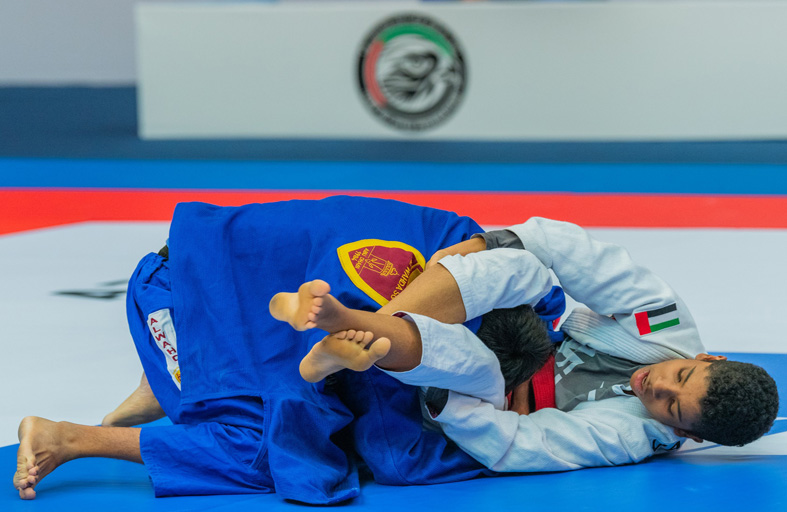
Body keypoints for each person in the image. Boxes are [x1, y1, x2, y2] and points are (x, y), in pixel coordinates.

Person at [12, 196, 563, 503]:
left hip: (211, 282)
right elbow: (395, 457)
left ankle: (171, 388)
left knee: (324, 398)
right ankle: (71, 438)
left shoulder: (466, 243)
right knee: (267, 452)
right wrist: (494, 446)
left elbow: (543, 289)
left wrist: (520, 368)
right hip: (178, 300)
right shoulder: (390, 326)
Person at [271, 216, 779, 472]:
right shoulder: (666, 322)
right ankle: (354, 327)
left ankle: (346, 329)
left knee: (472, 366)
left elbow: (519, 445)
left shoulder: (628, 438)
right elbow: (573, 251)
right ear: (708, 357)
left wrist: (460, 403)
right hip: (529, 334)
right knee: (526, 266)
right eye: (682, 375)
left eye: (673, 408)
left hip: (493, 396)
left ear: (685, 434)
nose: (658, 385)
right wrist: (483, 245)